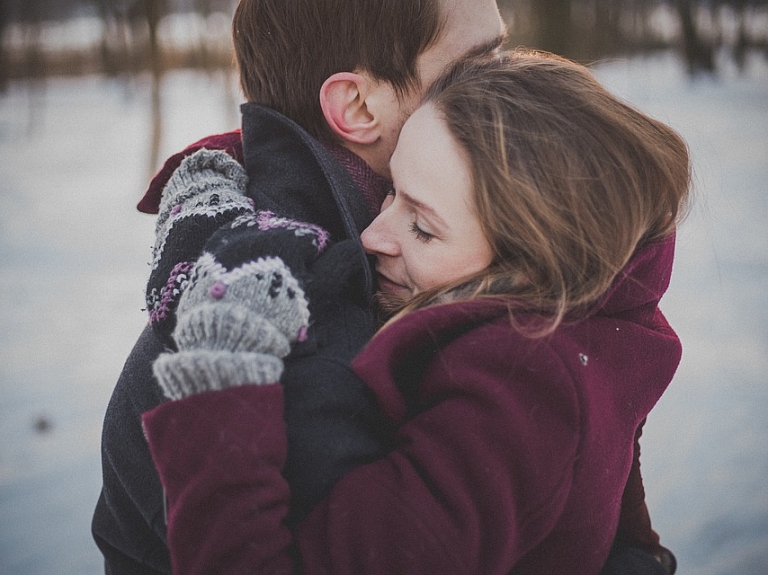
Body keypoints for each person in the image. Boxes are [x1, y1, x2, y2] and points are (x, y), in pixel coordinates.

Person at [141, 50, 690, 574]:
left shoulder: (517, 399)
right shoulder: (597, 325)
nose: (373, 235)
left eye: (423, 228)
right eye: (391, 191)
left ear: (532, 265)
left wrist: (222, 374)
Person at [92, 1, 509, 573]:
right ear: (357, 106)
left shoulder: (394, 247)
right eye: (476, 66)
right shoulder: (297, 319)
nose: (513, 84)